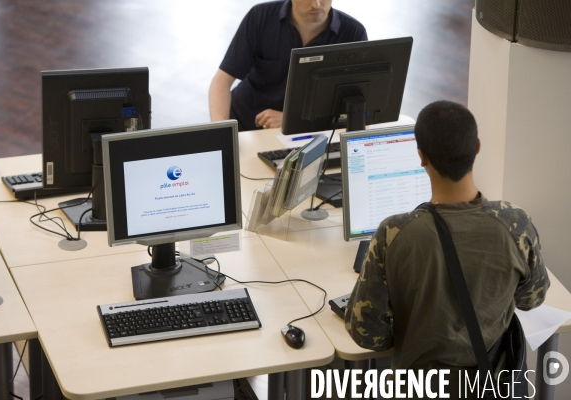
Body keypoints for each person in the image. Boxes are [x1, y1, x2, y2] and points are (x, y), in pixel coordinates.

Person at [344, 100, 549, 393]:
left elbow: (366, 335)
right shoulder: (515, 224)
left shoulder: (394, 233)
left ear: (421, 156)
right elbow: (532, 299)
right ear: (477, 147)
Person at [209, 0, 367, 131]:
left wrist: (291, 120)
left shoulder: (353, 33)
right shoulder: (260, 16)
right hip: (247, 123)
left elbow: (357, 106)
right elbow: (222, 80)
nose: (317, 4)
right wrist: (222, 131)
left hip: (310, 131)